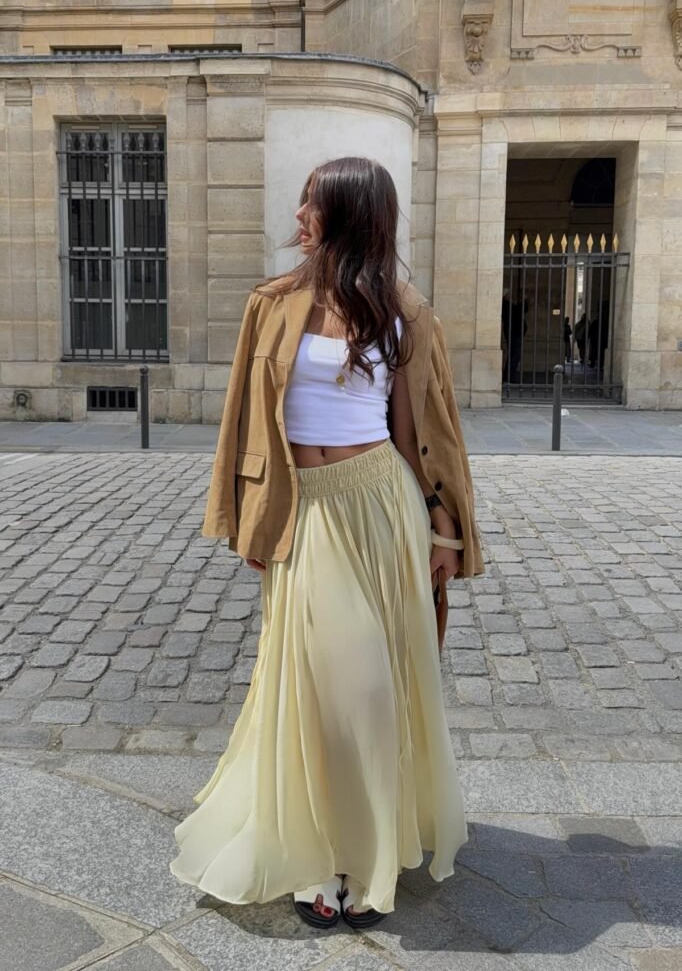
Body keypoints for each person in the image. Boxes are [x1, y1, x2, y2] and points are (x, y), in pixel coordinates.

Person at [169, 156, 484, 930]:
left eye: (315, 204)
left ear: (351, 217)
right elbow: (243, 422)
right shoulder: (272, 306)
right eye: (304, 201)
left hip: (380, 508)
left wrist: (444, 530)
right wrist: (251, 518)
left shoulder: (405, 313)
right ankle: (322, 859)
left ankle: (365, 852)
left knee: (375, 691)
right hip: (304, 514)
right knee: (323, 691)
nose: (301, 214)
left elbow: (431, 435)